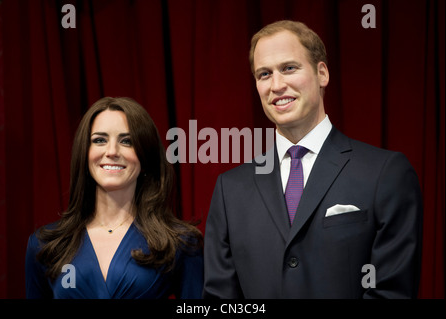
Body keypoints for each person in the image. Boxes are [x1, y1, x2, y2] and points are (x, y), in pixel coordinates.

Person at [203, 20, 423, 299]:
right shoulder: (229, 189)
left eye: (289, 68)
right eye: (264, 74)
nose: (277, 85)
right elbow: (221, 299)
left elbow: (392, 292)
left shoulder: (386, 173)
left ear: (322, 73)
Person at [25, 97, 203, 299]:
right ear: (85, 153)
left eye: (127, 141)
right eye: (100, 140)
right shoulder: (45, 244)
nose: (111, 152)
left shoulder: (180, 242)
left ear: (145, 156)